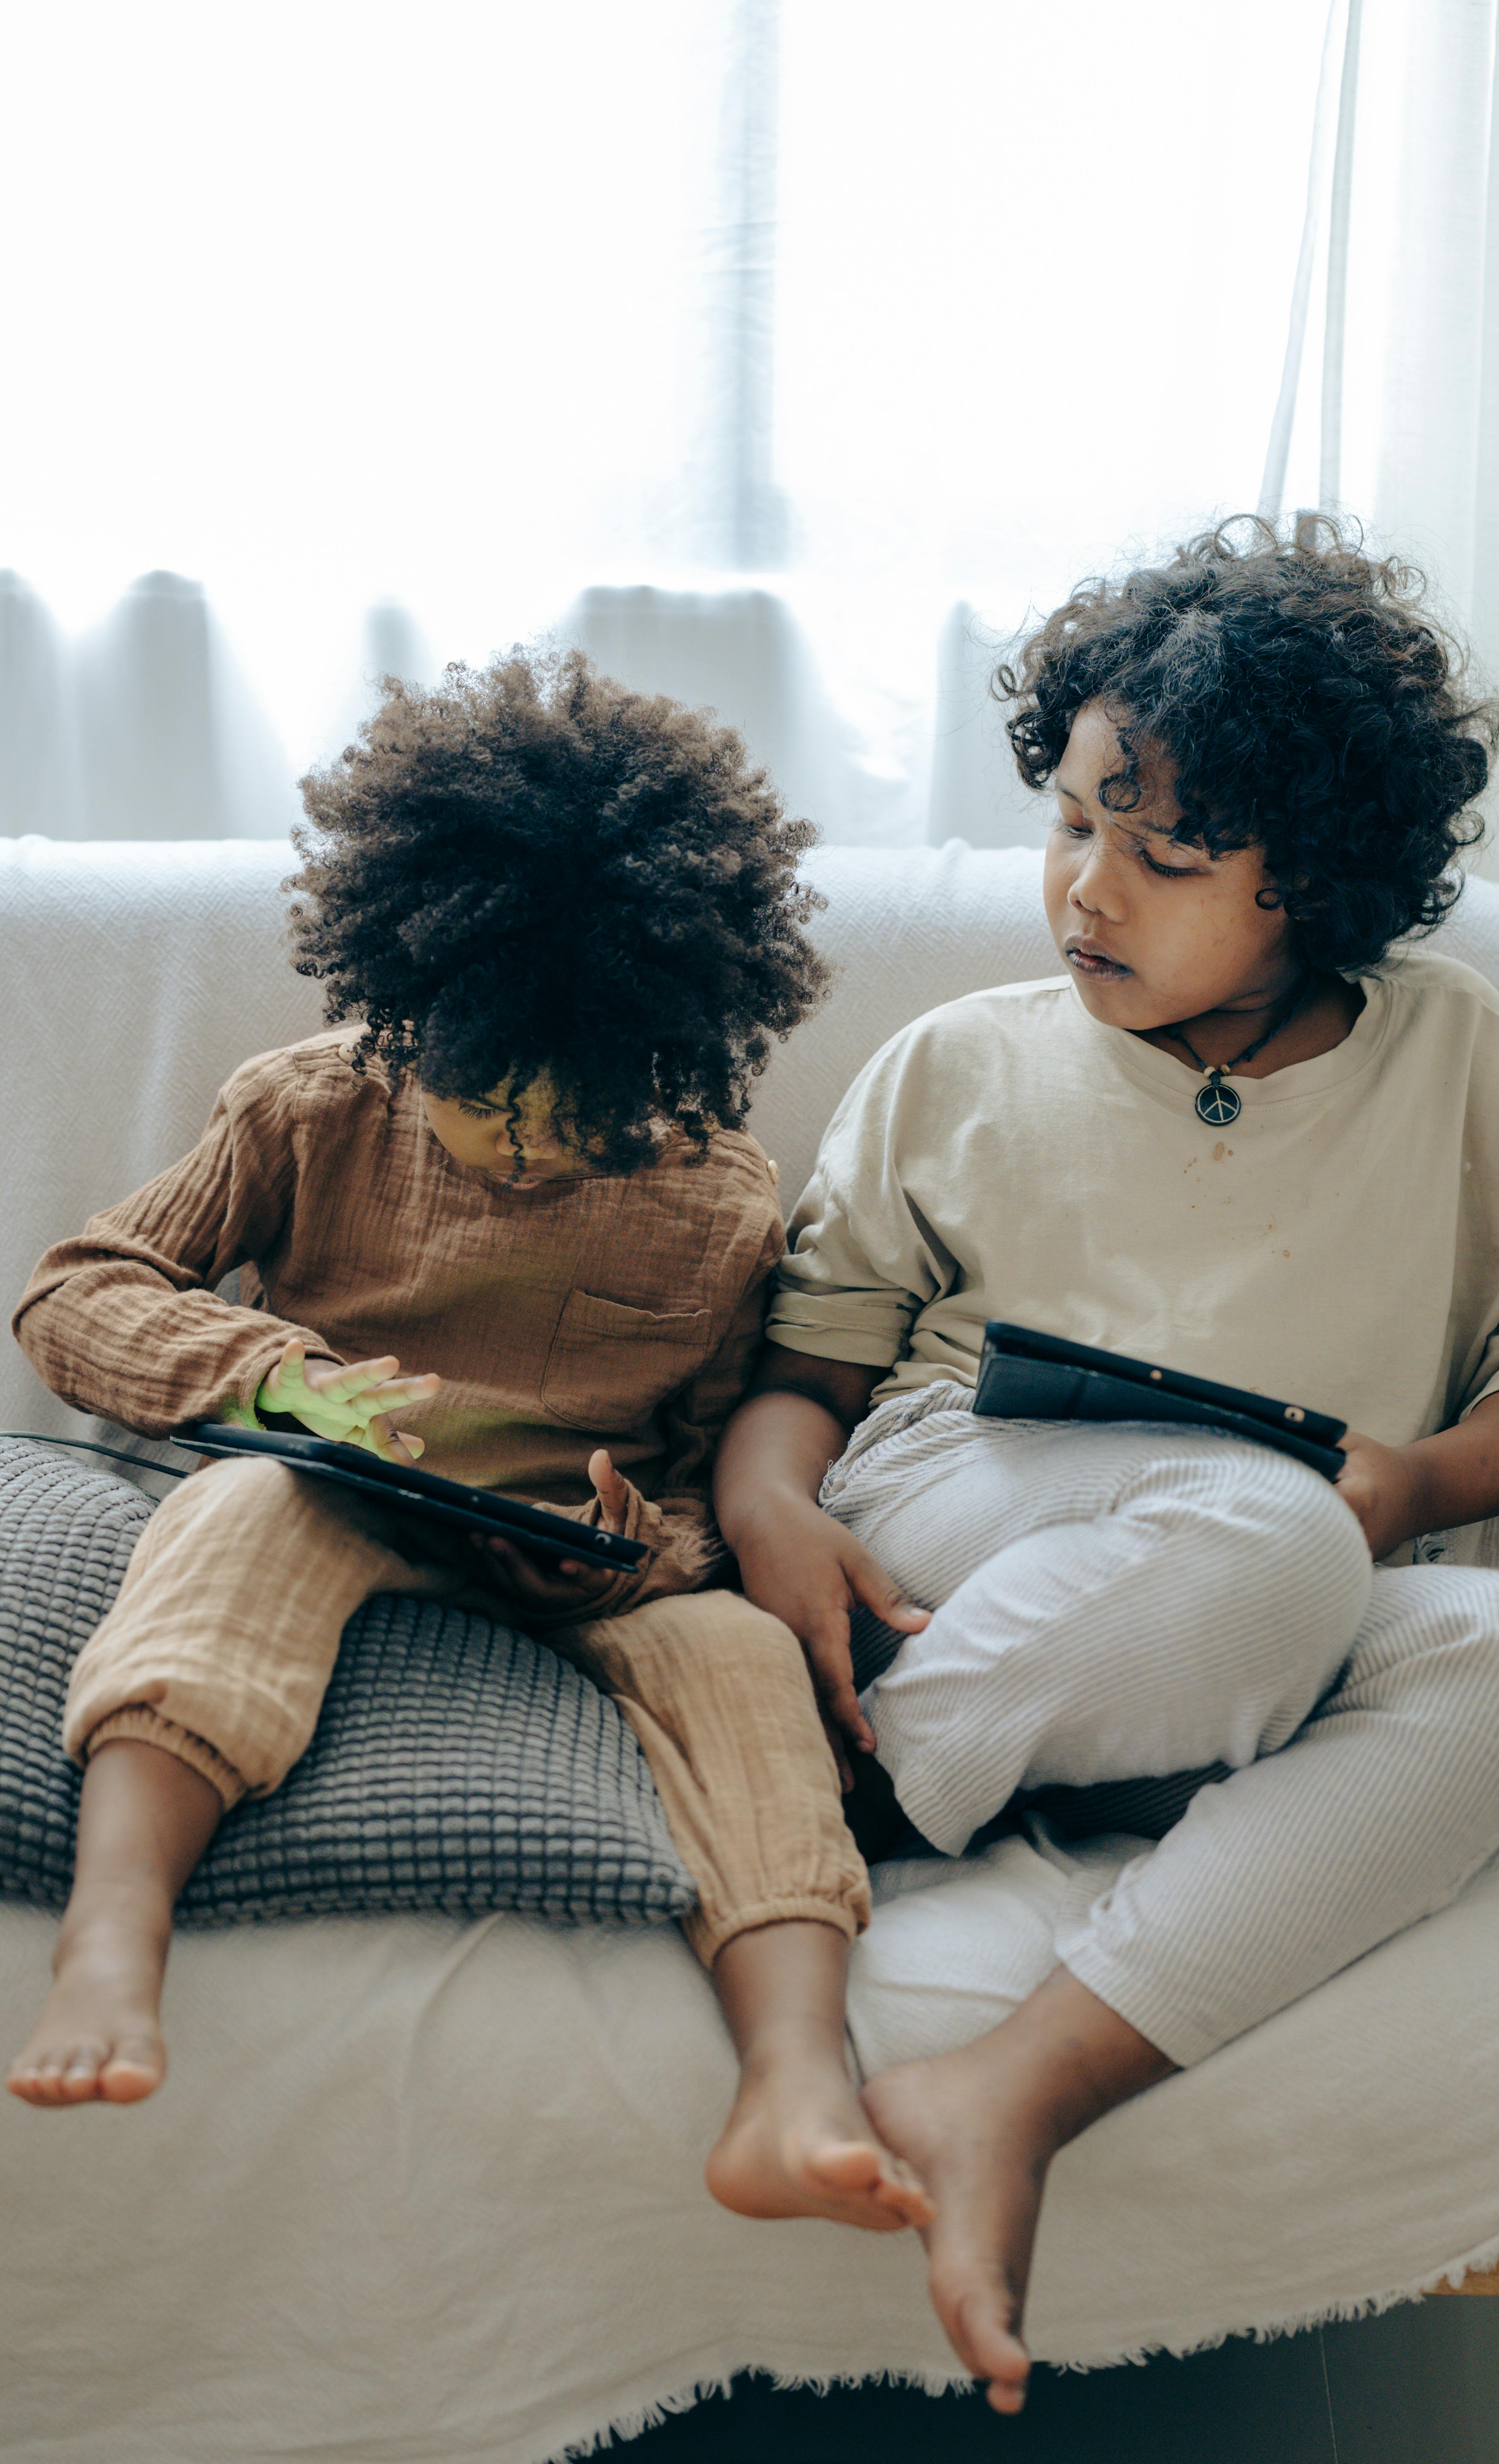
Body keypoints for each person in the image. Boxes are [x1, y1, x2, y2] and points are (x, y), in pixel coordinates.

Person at [711, 518, 1499, 2411]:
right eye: (1073, 822)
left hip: (1280, 1584)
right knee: (1270, 1534)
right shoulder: (957, 1063)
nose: (1089, 889)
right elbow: (801, 1371)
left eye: (1163, 854)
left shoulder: (1454, 1059)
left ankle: (1017, 2082)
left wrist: (1415, 1487)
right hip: (961, 1519)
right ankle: (850, 1783)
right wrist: (766, 1514)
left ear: (1309, 884)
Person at [6, 646, 932, 2240]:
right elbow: (79, 1291)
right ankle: (114, 1927)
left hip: (579, 1569)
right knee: (235, 1527)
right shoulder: (307, 1109)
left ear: (662, 1059)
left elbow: (723, 1478)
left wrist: (634, 1544)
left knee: (738, 1661)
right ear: (410, 1001)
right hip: (326, 1487)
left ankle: (793, 2078)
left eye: (575, 1114)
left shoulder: (719, 1206)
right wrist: (275, 1381)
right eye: (481, 1092)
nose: (520, 1147)